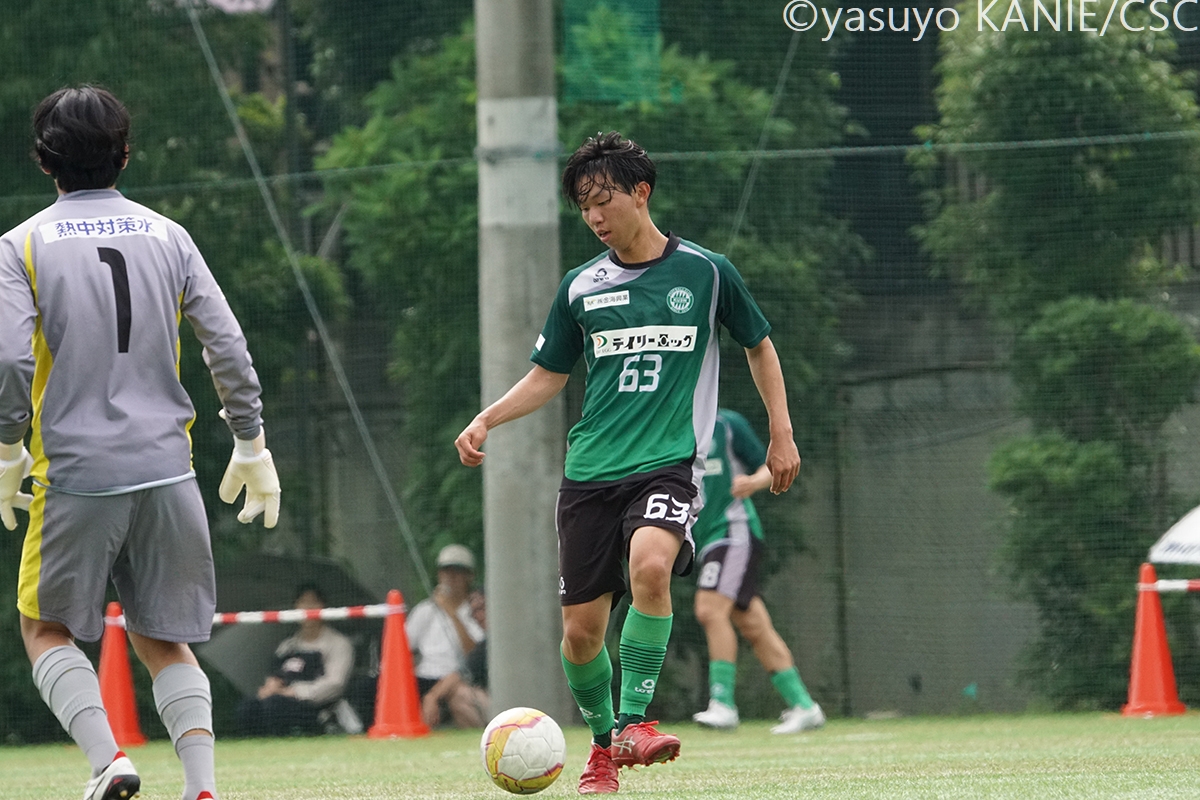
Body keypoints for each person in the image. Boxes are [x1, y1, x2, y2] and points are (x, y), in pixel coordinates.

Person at [454, 132, 801, 794]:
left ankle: (637, 722)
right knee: (581, 636)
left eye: (603, 200)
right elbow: (548, 374)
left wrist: (780, 434)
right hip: (590, 473)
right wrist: (486, 418)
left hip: (669, 463)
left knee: (651, 567)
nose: (594, 217)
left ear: (641, 193)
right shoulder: (580, 287)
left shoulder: (706, 272)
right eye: (584, 207)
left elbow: (759, 345)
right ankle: (603, 746)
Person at [0, 86, 280, 800]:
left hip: (76, 475)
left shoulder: (21, 245)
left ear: (44, 162)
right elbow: (227, 346)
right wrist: (250, 440)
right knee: (163, 638)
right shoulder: (169, 236)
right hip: (168, 471)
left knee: (43, 627)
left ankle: (109, 762)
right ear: (125, 154)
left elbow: (8, 360)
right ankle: (201, 788)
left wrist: (7, 447)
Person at [691, 408, 824, 734]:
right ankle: (805, 706)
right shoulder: (670, 425)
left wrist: (753, 482)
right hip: (706, 540)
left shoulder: (727, 424)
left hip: (733, 531)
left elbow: (771, 465)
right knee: (753, 624)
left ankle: (723, 703)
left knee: (709, 610)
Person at [236, 583, 360, 737]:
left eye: (312, 602)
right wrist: (270, 686)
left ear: (322, 606)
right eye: (302, 603)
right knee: (248, 707)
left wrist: (295, 692)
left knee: (275, 706)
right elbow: (275, 672)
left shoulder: (339, 643)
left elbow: (335, 684)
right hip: (279, 696)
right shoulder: (287, 645)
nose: (307, 608)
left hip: (316, 704)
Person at [405, 544, 489, 728]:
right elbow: (405, 648)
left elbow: (474, 655)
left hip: (456, 678)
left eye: (457, 571)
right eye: (446, 571)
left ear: (469, 576)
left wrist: (450, 612)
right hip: (423, 677)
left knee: (459, 693)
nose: (451, 577)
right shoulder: (425, 609)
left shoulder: (475, 610)